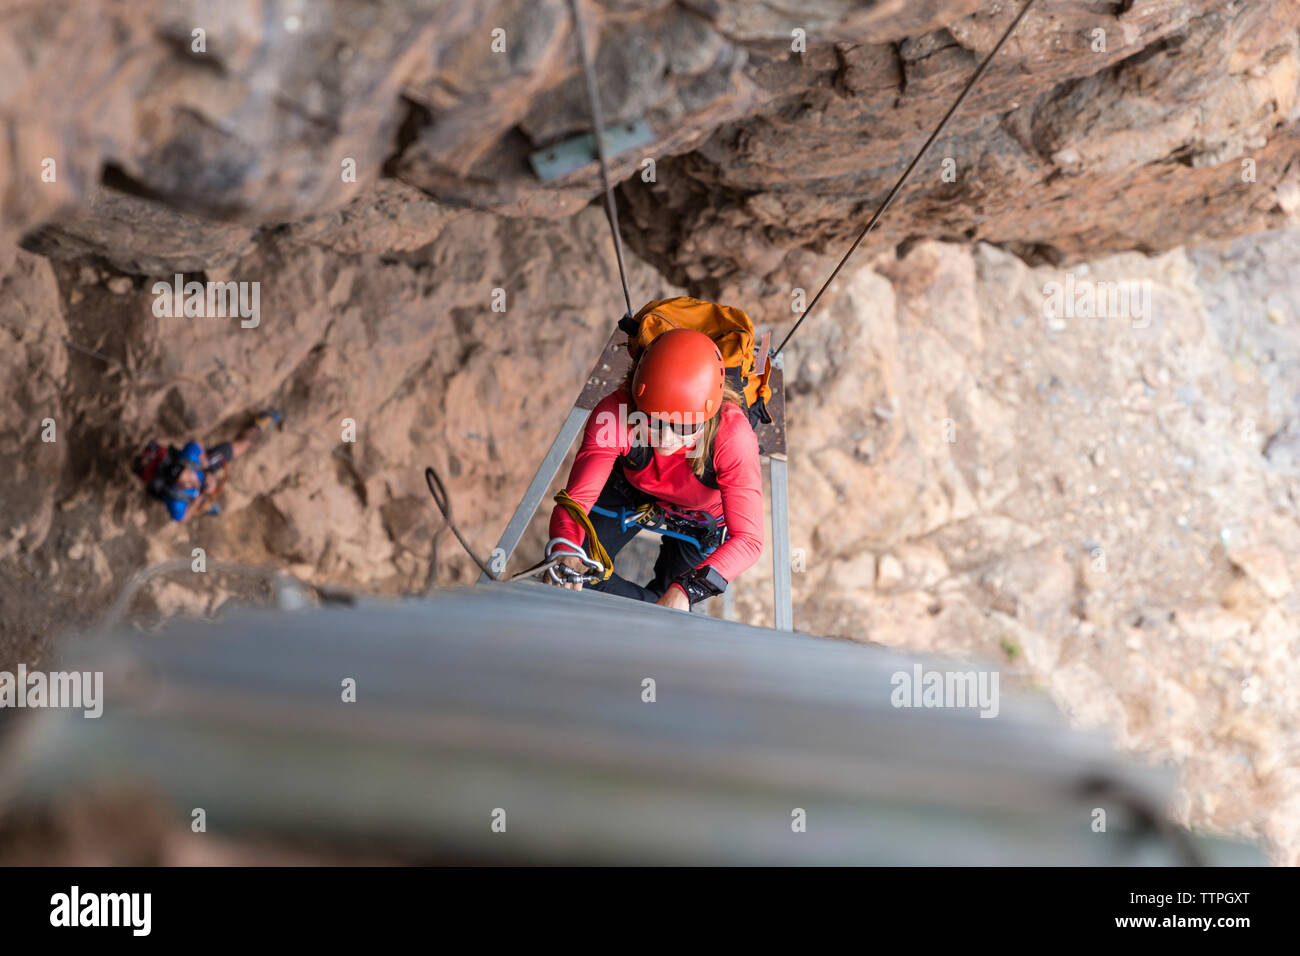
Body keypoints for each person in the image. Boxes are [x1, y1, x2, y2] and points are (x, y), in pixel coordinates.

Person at [546, 328, 763, 611]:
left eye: (684, 427)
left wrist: (687, 590)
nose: (666, 438)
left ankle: (648, 615)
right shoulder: (616, 413)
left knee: (674, 602)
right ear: (637, 401)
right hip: (630, 490)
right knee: (575, 573)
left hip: (700, 518)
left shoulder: (732, 436)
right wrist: (566, 548)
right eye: (652, 420)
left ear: (708, 415)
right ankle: (645, 615)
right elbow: (576, 500)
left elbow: (749, 539)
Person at [132, 409, 282, 522]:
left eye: (189, 475)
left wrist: (204, 467)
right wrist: (202, 496)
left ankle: (258, 425)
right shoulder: (176, 501)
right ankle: (206, 506)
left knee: (244, 445)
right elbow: (182, 517)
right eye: (188, 483)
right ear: (177, 486)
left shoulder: (189, 460)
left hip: (204, 467)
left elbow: (196, 443)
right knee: (202, 504)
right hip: (197, 494)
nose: (193, 480)